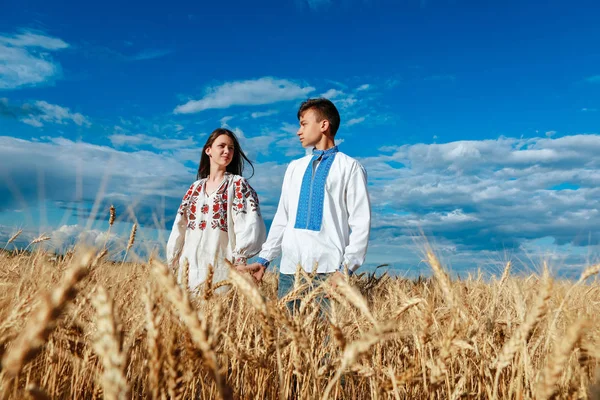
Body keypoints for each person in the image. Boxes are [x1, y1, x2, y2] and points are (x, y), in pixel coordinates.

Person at [237, 98, 371, 302]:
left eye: (303, 123)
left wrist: (346, 269)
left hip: (329, 272)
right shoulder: (294, 167)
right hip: (290, 272)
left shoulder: (350, 167)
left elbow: (361, 222)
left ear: (324, 125)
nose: (298, 131)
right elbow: (282, 217)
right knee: (288, 334)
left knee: (328, 334)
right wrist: (264, 260)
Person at [167, 128, 266, 293]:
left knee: (217, 317)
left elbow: (249, 224)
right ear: (208, 150)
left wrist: (241, 258)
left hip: (221, 270)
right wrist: (173, 260)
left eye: (231, 148)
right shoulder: (194, 188)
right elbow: (180, 226)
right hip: (188, 270)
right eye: (222, 146)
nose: (227, 151)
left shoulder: (237, 185)